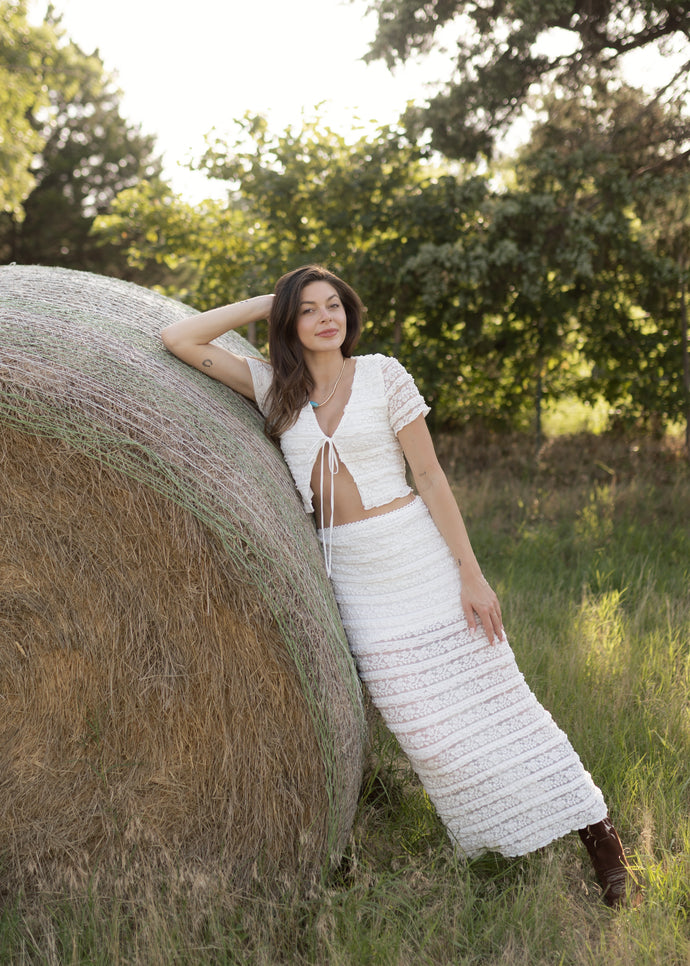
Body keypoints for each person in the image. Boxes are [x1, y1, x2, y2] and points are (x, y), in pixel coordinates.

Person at [161, 264, 638, 908]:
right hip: (353, 577)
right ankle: (499, 841)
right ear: (287, 322)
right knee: (427, 730)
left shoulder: (384, 373)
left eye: (334, 305)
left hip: (417, 559)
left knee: (504, 705)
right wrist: (262, 302)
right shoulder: (273, 385)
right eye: (307, 310)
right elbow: (180, 340)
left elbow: (432, 477)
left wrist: (472, 574)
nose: (327, 317)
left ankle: (599, 838)